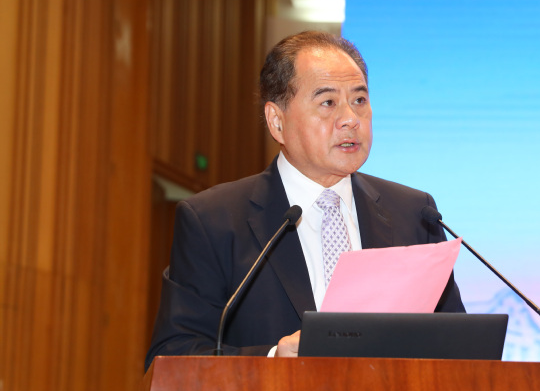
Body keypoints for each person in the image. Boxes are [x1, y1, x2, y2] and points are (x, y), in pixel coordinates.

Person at [145, 31, 464, 371]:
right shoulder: (214, 221)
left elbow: (457, 348)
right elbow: (173, 356)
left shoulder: (414, 213)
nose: (350, 119)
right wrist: (272, 361)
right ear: (277, 122)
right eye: (328, 103)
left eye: (359, 100)